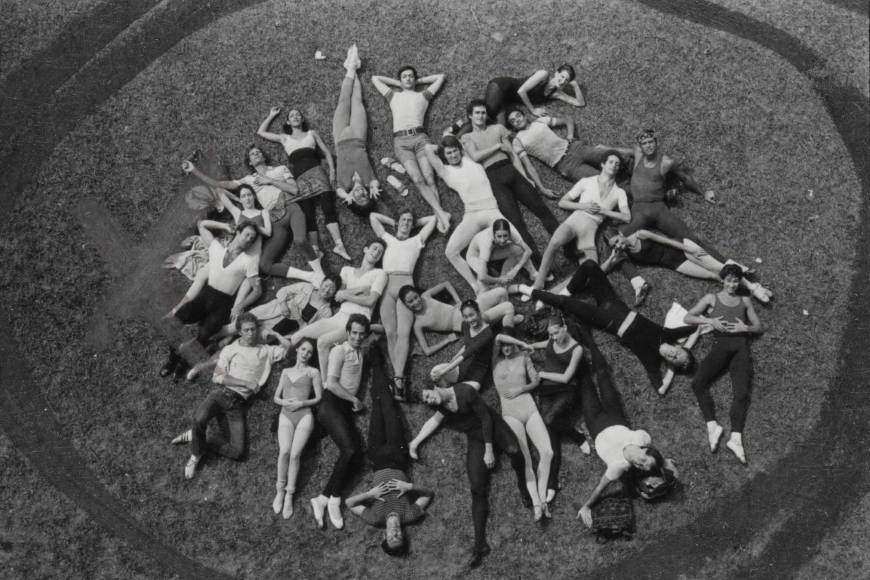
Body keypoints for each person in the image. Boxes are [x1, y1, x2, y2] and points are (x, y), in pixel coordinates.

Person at [517, 260, 696, 390]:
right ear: (679, 346)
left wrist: (672, 369)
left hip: (604, 318)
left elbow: (660, 388)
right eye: (678, 353)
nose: (673, 354)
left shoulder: (652, 360)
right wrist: (688, 346)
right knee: (589, 266)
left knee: (566, 304)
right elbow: (696, 329)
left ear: (669, 363)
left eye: (673, 359)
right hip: (613, 302)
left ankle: (524, 289)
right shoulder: (667, 334)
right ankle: (565, 293)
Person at [409, 382, 528, 569]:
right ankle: (480, 545)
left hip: (492, 425)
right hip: (476, 437)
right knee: (477, 488)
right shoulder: (440, 406)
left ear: (436, 386)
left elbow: (486, 418)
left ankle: (523, 484)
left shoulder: (465, 392)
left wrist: (489, 450)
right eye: (427, 401)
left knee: (514, 450)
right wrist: (414, 443)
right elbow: (432, 422)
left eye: (429, 395)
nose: (430, 400)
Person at [573, 325, 677, 528]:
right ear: (645, 450)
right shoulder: (642, 439)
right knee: (602, 375)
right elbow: (657, 457)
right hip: (615, 417)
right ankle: (588, 338)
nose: (639, 463)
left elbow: (601, 488)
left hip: (596, 424)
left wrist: (586, 506)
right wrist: (664, 464)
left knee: (585, 381)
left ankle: (575, 342)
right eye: (643, 460)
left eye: (641, 467)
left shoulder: (618, 466)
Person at [171, 313, 292, 479]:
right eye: (247, 330)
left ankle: (200, 436)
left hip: (237, 405)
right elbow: (218, 377)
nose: (251, 333)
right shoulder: (230, 349)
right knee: (199, 419)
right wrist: (245, 383)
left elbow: (291, 350)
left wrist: (276, 334)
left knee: (237, 452)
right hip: (220, 395)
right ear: (240, 332)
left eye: (253, 329)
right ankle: (195, 454)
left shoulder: (267, 351)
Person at [182, 148, 325, 280]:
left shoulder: (281, 169)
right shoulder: (248, 179)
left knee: (300, 240)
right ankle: (309, 277)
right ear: (250, 162)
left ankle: (320, 275)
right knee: (264, 266)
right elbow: (218, 184)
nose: (256, 154)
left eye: (258, 152)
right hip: (274, 219)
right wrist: (194, 170)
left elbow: (294, 190)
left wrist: (270, 180)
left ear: (263, 156)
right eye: (252, 154)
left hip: (291, 208)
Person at [345, 345, 434, 555]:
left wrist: (370, 493)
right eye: (399, 538)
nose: (395, 534)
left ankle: (376, 364)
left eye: (391, 538)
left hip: (376, 457)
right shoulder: (410, 516)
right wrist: (408, 485)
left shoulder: (375, 519)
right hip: (398, 455)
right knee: (390, 407)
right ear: (403, 535)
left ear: (384, 536)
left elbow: (349, 503)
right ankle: (377, 363)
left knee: (378, 408)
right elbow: (429, 494)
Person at [457, 99, 560, 262]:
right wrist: (497, 147)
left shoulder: (498, 128)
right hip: (494, 179)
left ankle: (568, 246)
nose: (481, 116)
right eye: (477, 112)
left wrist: (524, 176)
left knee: (542, 209)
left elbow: (512, 154)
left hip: (511, 172)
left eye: (483, 112)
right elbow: (475, 157)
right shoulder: (467, 137)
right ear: (470, 116)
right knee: (516, 222)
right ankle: (537, 263)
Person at [683, 264, 764, 464]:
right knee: (697, 383)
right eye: (728, 280)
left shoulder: (745, 301)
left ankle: (736, 438)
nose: (732, 284)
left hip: (740, 347)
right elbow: (688, 317)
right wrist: (710, 322)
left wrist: (744, 327)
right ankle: (713, 426)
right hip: (720, 346)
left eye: (735, 281)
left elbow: (759, 328)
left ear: (738, 282)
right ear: (722, 280)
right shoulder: (711, 298)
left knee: (742, 392)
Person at [160, 221, 261, 378]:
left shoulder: (248, 262)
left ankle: (183, 362)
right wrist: (225, 226)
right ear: (238, 232)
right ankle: (171, 360)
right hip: (205, 296)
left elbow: (257, 290)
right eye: (247, 234)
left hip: (223, 303)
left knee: (205, 334)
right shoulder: (216, 248)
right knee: (178, 319)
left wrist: (240, 305)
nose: (248, 239)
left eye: (252, 238)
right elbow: (201, 225)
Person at [607, 129, 725, 262]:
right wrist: (607, 148)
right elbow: (627, 151)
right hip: (638, 209)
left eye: (651, 142)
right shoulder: (638, 153)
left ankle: (726, 263)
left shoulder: (666, 162)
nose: (648, 145)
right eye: (644, 143)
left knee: (690, 238)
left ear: (656, 142)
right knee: (613, 237)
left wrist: (704, 193)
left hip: (658, 209)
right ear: (640, 146)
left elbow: (684, 178)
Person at [508, 315, 590, 502]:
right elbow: (545, 344)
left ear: (564, 328)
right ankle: (552, 482)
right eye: (550, 335)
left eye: (556, 333)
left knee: (549, 420)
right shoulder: (552, 340)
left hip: (566, 390)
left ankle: (578, 436)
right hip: (547, 391)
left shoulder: (576, 349)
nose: (554, 338)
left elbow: (567, 377)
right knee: (550, 437)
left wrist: (543, 373)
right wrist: (529, 346)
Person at [257, 106, 351, 260]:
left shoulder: (311, 134)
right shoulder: (284, 138)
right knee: (308, 213)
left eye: (297, 115)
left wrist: (332, 172)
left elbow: (327, 153)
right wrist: (271, 115)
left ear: (302, 119)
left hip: (318, 173)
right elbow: (261, 132)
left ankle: (339, 245)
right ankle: (315, 249)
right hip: (299, 178)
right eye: (291, 115)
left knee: (328, 208)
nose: (295, 117)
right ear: (288, 121)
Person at [531, 151, 630, 291]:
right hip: (574, 222)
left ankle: (552, 293)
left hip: (590, 232)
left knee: (591, 272)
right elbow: (562, 202)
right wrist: (583, 206)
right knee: (554, 242)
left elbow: (626, 217)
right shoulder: (586, 181)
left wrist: (602, 211)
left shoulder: (619, 192)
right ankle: (539, 283)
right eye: (611, 162)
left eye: (617, 164)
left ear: (618, 169)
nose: (614, 165)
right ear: (603, 164)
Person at [423, 137, 511, 290]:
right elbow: (428, 149)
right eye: (448, 153)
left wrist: (451, 141)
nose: (452, 155)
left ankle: (518, 276)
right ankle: (475, 285)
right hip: (472, 214)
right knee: (451, 252)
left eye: (454, 151)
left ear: (460, 150)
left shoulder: (469, 159)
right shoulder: (445, 171)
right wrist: (443, 146)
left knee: (516, 242)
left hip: (492, 211)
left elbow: (460, 142)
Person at [372, 61, 451, 232]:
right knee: (417, 179)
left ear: (415, 79)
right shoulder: (393, 95)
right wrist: (398, 84)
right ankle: (441, 214)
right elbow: (375, 78)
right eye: (404, 77)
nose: (408, 79)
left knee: (430, 178)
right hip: (401, 142)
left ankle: (440, 215)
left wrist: (418, 81)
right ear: (400, 80)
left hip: (421, 139)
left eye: (410, 76)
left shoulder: (423, 96)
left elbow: (441, 77)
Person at [310, 314, 371, 530]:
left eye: (361, 334)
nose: (356, 337)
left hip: (343, 409)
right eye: (353, 333)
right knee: (350, 450)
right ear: (347, 333)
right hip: (331, 404)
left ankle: (324, 498)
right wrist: (355, 399)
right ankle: (334, 499)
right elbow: (332, 384)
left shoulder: (361, 350)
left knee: (357, 456)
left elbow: (377, 332)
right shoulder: (339, 350)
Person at [291, 239, 386, 378]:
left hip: (357, 320)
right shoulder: (346, 270)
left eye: (380, 252)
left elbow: (371, 300)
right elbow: (336, 296)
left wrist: (346, 294)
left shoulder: (380, 274)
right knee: (296, 337)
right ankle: (302, 367)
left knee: (323, 342)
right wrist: (359, 289)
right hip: (339, 316)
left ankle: (324, 382)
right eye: (374, 248)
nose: (376, 252)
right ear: (365, 249)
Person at [369, 209, 438, 399]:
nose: (406, 223)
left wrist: (413, 223)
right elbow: (373, 217)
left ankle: (398, 379)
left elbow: (433, 218)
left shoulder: (416, 241)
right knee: (390, 333)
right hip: (386, 285)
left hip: (406, 286)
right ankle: (399, 381)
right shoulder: (388, 239)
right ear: (398, 221)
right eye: (403, 220)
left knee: (403, 333)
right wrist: (395, 222)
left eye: (410, 221)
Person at [601, 228, 773, 303]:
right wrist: (612, 256)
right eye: (614, 246)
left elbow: (666, 240)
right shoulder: (623, 253)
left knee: (717, 268)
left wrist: (690, 249)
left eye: (617, 241)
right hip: (675, 263)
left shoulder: (640, 234)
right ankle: (754, 287)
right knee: (715, 277)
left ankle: (752, 288)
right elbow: (603, 270)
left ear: (621, 234)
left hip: (682, 249)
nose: (618, 246)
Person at [490, 334, 554, 521]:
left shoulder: (524, 357)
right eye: (504, 346)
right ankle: (536, 503)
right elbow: (499, 336)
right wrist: (520, 341)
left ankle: (543, 500)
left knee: (547, 452)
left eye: (510, 345)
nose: (507, 349)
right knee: (525, 458)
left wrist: (521, 389)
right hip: (510, 414)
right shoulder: (495, 360)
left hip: (529, 408)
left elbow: (535, 381)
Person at [507, 108, 616, 196]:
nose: (517, 120)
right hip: (566, 166)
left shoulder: (539, 121)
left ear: (524, 116)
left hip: (575, 148)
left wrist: (570, 135)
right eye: (513, 121)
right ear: (513, 127)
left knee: (613, 158)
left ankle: (633, 167)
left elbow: (567, 119)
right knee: (603, 183)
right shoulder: (517, 141)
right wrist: (543, 189)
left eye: (518, 115)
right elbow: (529, 167)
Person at [272, 337, 322, 518]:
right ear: (297, 350)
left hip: (304, 415)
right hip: (285, 414)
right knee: (284, 451)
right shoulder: (285, 370)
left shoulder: (313, 372)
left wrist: (301, 403)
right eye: (303, 350)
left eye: (309, 352)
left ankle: (289, 495)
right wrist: (285, 402)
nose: (306, 353)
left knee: (295, 454)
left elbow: (318, 397)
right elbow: (276, 397)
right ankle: (280, 490)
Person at [398, 283, 521, 357]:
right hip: (468, 323)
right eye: (410, 301)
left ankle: (506, 322)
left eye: (416, 297)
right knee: (508, 307)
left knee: (502, 291)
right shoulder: (418, 324)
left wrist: (457, 300)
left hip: (466, 308)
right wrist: (446, 340)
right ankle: (508, 340)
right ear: (405, 304)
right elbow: (427, 351)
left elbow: (445, 283)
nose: (416, 302)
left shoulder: (426, 296)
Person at [331, 46, 382, 215]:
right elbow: (375, 184)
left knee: (344, 101)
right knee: (357, 101)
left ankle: (352, 67)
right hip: (358, 137)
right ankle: (353, 68)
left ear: (352, 198)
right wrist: (373, 188)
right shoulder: (369, 181)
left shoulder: (344, 185)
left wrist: (345, 195)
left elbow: (338, 191)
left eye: (359, 198)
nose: (362, 194)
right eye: (366, 196)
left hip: (340, 138)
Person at [428, 299, 504, 389]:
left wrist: (443, 372)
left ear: (478, 312)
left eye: (472, 315)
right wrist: (454, 358)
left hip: (475, 375)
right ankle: (446, 389)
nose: (469, 319)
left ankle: (452, 391)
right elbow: (466, 345)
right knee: (434, 371)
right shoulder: (465, 325)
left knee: (467, 392)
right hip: (460, 369)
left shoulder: (487, 334)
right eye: (466, 316)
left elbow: (467, 353)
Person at [465, 219, 536, 294]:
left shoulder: (511, 233)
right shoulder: (486, 243)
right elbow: (482, 277)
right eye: (499, 236)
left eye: (505, 236)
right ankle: (483, 295)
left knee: (517, 249)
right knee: (483, 278)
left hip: (492, 251)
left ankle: (533, 275)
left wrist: (515, 270)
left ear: (509, 233)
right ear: (494, 234)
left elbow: (528, 250)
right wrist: (499, 280)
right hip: (475, 256)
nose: (502, 240)